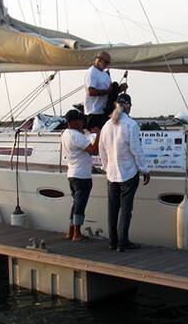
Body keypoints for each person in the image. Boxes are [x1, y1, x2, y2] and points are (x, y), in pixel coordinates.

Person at [98, 93, 150, 252]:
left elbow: (102, 150)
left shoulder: (106, 125)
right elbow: (136, 150)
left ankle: (113, 242)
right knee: (126, 210)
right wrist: (145, 169)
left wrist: (106, 167)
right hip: (128, 173)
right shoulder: (131, 125)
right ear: (128, 106)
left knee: (112, 209)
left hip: (111, 174)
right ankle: (123, 242)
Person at [61, 109, 100, 241]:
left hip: (71, 173)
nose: (82, 122)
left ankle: (71, 232)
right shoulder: (76, 136)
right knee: (80, 204)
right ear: (72, 122)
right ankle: (77, 234)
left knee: (75, 203)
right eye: (79, 120)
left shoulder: (65, 133)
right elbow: (94, 151)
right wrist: (98, 134)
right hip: (82, 175)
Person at [85, 51, 127, 131]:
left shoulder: (104, 74)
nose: (107, 64)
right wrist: (107, 91)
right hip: (94, 113)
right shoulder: (92, 73)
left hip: (105, 112)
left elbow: (110, 92)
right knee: (96, 138)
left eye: (108, 63)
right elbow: (91, 91)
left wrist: (120, 89)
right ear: (99, 60)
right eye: (106, 62)